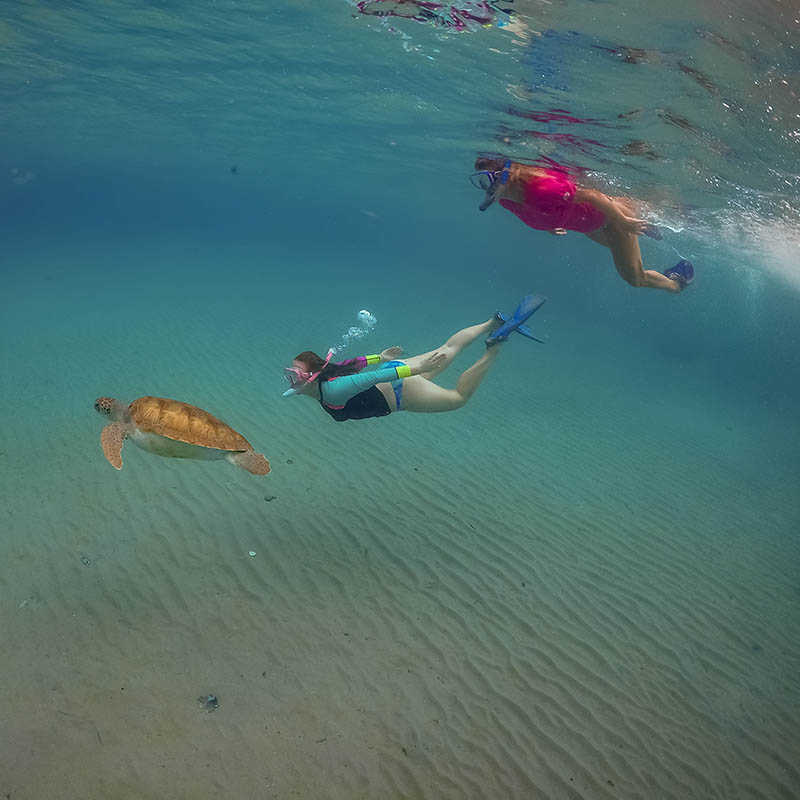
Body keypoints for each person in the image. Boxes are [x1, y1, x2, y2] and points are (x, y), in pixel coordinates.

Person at [282, 297, 544, 421]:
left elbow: (374, 376)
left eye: (294, 375)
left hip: (402, 391)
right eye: (289, 374)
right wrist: (380, 357)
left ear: (312, 376)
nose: (291, 381)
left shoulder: (333, 391)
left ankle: (494, 345)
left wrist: (419, 368)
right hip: (397, 372)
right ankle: (493, 321)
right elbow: (354, 364)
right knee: (447, 348)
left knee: (458, 399)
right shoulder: (329, 375)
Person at [471, 157, 695, 293]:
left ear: (505, 176)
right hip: (588, 226)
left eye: (488, 180)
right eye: (481, 181)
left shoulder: (542, 188)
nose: (486, 189)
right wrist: (548, 225)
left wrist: (623, 221)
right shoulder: (504, 200)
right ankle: (644, 228)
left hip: (609, 219)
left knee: (634, 278)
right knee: (623, 251)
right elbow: (534, 213)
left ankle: (677, 283)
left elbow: (594, 196)